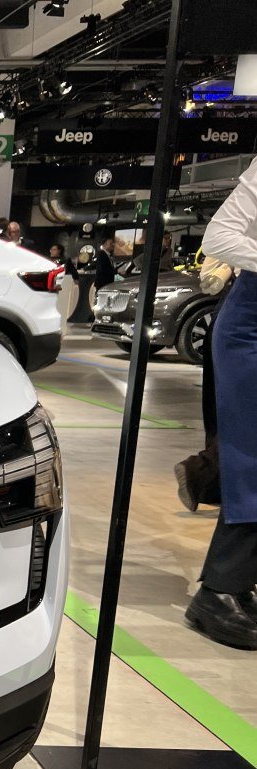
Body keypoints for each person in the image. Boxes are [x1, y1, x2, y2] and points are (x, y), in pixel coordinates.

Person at [185, 157, 257, 649]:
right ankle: (219, 591)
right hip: (252, 331)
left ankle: (236, 582)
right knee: (253, 458)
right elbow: (220, 237)